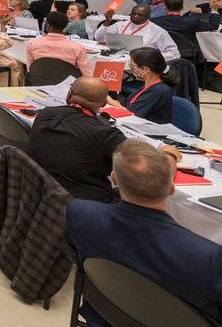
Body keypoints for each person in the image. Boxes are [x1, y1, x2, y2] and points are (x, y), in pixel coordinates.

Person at [66, 139, 222, 327]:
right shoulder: (208, 258)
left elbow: (81, 265)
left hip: (104, 312)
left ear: (114, 179)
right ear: (172, 189)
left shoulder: (79, 213)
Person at [25, 77, 125, 202]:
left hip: (41, 193)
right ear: (104, 103)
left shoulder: (45, 114)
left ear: (69, 94)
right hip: (87, 205)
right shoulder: (108, 135)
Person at [106, 47, 176, 124]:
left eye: (132, 66)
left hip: (150, 131)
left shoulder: (159, 90)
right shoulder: (150, 83)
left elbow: (131, 115)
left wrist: (108, 99)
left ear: (145, 69)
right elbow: (128, 104)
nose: (131, 69)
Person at [94, 5, 180, 61]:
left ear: (148, 17)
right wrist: (107, 22)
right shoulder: (120, 25)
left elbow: (174, 53)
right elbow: (99, 38)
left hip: (142, 64)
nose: (136, 16)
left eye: (140, 15)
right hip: (116, 58)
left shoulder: (158, 31)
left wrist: (152, 57)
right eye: (133, 14)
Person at [25, 12, 93, 76]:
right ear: (65, 26)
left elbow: (30, 68)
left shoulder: (32, 43)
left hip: (38, 82)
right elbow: (87, 74)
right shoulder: (77, 48)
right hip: (68, 85)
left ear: (47, 26)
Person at [152, 0, 220, 55]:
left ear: (165, 7)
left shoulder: (154, 21)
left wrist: (190, 12)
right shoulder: (192, 21)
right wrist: (214, 10)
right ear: (182, 8)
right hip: (187, 52)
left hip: (162, 52)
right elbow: (213, 25)